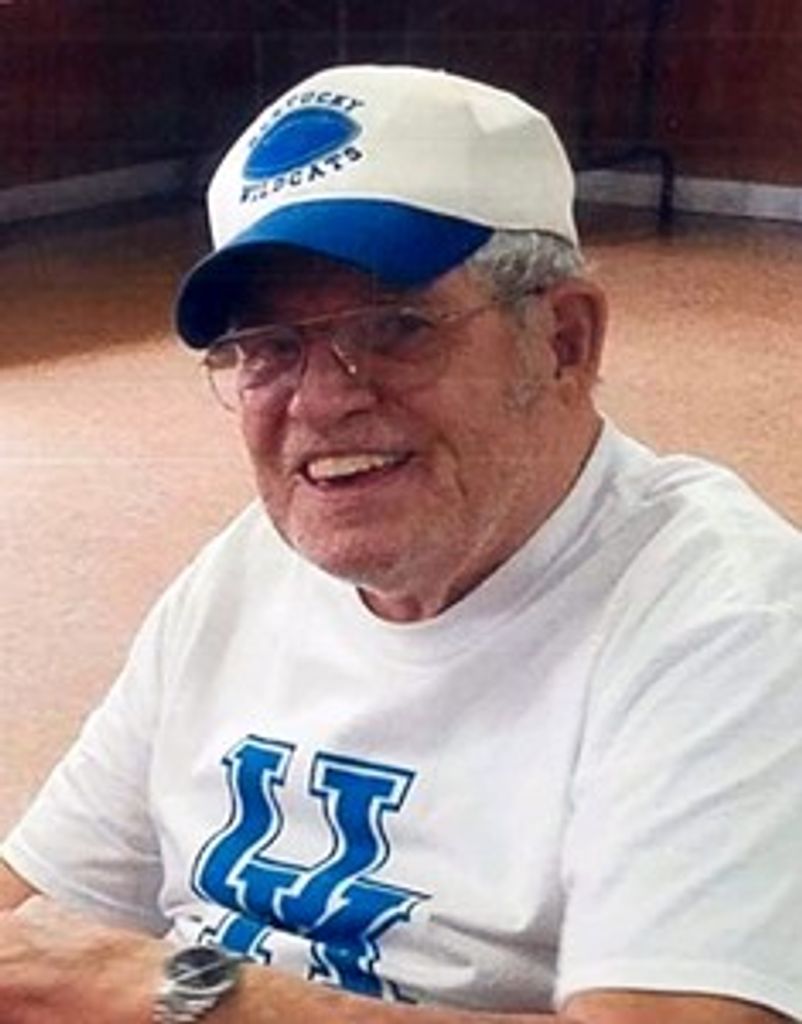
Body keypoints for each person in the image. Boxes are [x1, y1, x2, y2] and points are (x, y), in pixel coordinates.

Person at [1, 63, 800, 1024]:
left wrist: (175, 991)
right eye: (268, 349)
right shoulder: (249, 569)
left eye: (393, 329)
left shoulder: (727, 620)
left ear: (564, 339)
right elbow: (40, 910)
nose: (321, 400)